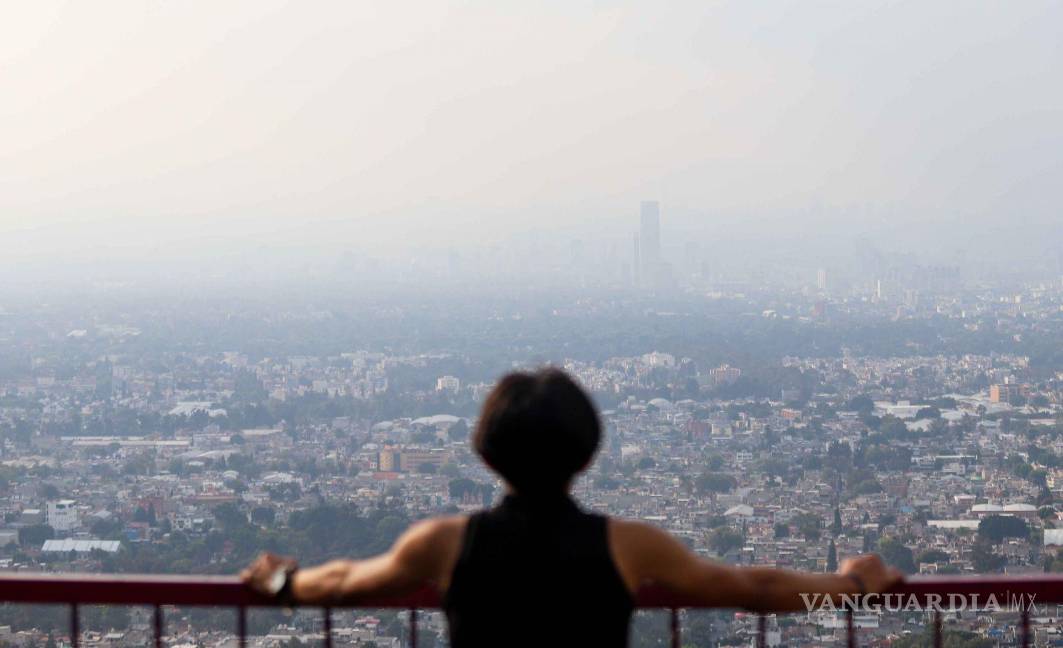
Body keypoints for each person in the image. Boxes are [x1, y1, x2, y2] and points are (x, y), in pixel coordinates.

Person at [243, 368, 902, 647]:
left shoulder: (443, 543)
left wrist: (277, 581)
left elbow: (344, 584)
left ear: (485, 453)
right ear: (586, 454)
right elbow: (749, 587)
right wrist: (850, 588)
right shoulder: (627, 545)